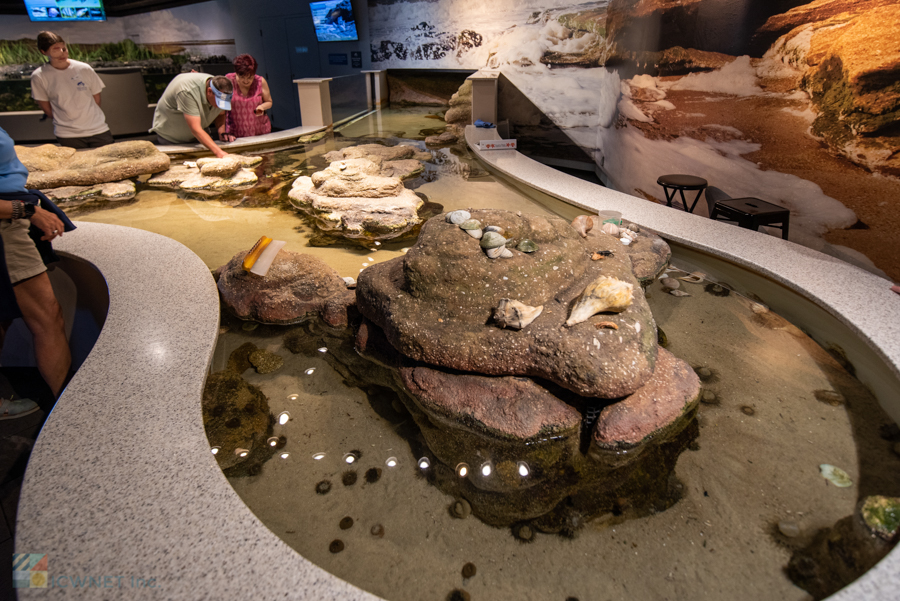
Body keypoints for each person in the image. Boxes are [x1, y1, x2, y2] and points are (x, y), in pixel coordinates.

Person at [0, 126, 72, 409]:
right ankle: (66, 410)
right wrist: (27, 211)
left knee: (3, 318)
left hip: (11, 216)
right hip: (6, 226)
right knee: (47, 318)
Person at [30, 31, 114, 149]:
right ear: (44, 52)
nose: (61, 53)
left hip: (98, 129)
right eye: (55, 49)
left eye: (64, 49)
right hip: (68, 134)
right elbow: (46, 108)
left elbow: (96, 98)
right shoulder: (39, 76)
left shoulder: (84, 68)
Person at [151, 73, 233, 158]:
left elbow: (220, 114)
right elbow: (195, 129)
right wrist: (219, 152)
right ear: (209, 91)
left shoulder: (221, 88)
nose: (220, 106)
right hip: (172, 140)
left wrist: (221, 131)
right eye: (219, 102)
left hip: (198, 140)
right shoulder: (187, 90)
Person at [224, 54, 272, 139]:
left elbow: (269, 101)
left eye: (250, 77)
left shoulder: (260, 81)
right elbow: (221, 107)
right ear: (236, 73)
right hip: (235, 132)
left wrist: (261, 107)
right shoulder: (228, 80)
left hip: (260, 130)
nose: (246, 81)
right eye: (242, 77)